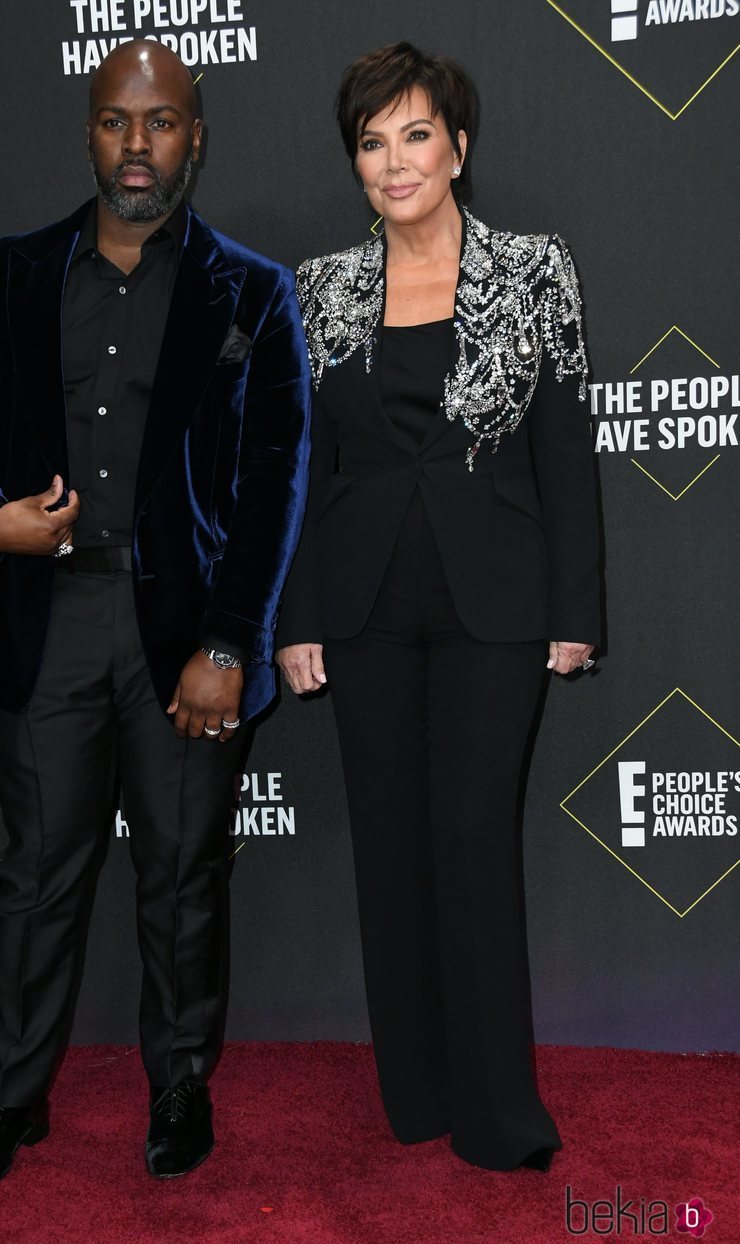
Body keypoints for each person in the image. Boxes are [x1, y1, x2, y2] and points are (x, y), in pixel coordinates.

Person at [0, 40, 310, 1193]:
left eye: (161, 122)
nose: (136, 145)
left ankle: (179, 1082)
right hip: (47, 619)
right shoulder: (12, 271)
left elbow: (271, 483)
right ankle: (10, 1098)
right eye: (114, 121)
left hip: (184, 637)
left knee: (183, 873)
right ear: (89, 132)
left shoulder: (251, 290)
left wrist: (229, 644)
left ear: (196, 134)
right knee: (37, 871)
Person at [277, 42, 601, 1172]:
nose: (393, 159)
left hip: (495, 606)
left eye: (415, 133)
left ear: (457, 146)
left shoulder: (534, 268)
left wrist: (575, 606)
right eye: (371, 140)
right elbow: (302, 472)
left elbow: (565, 449)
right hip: (362, 610)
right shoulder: (319, 287)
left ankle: (494, 1109)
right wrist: (294, 615)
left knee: (470, 836)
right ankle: (412, 1092)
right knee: (388, 845)